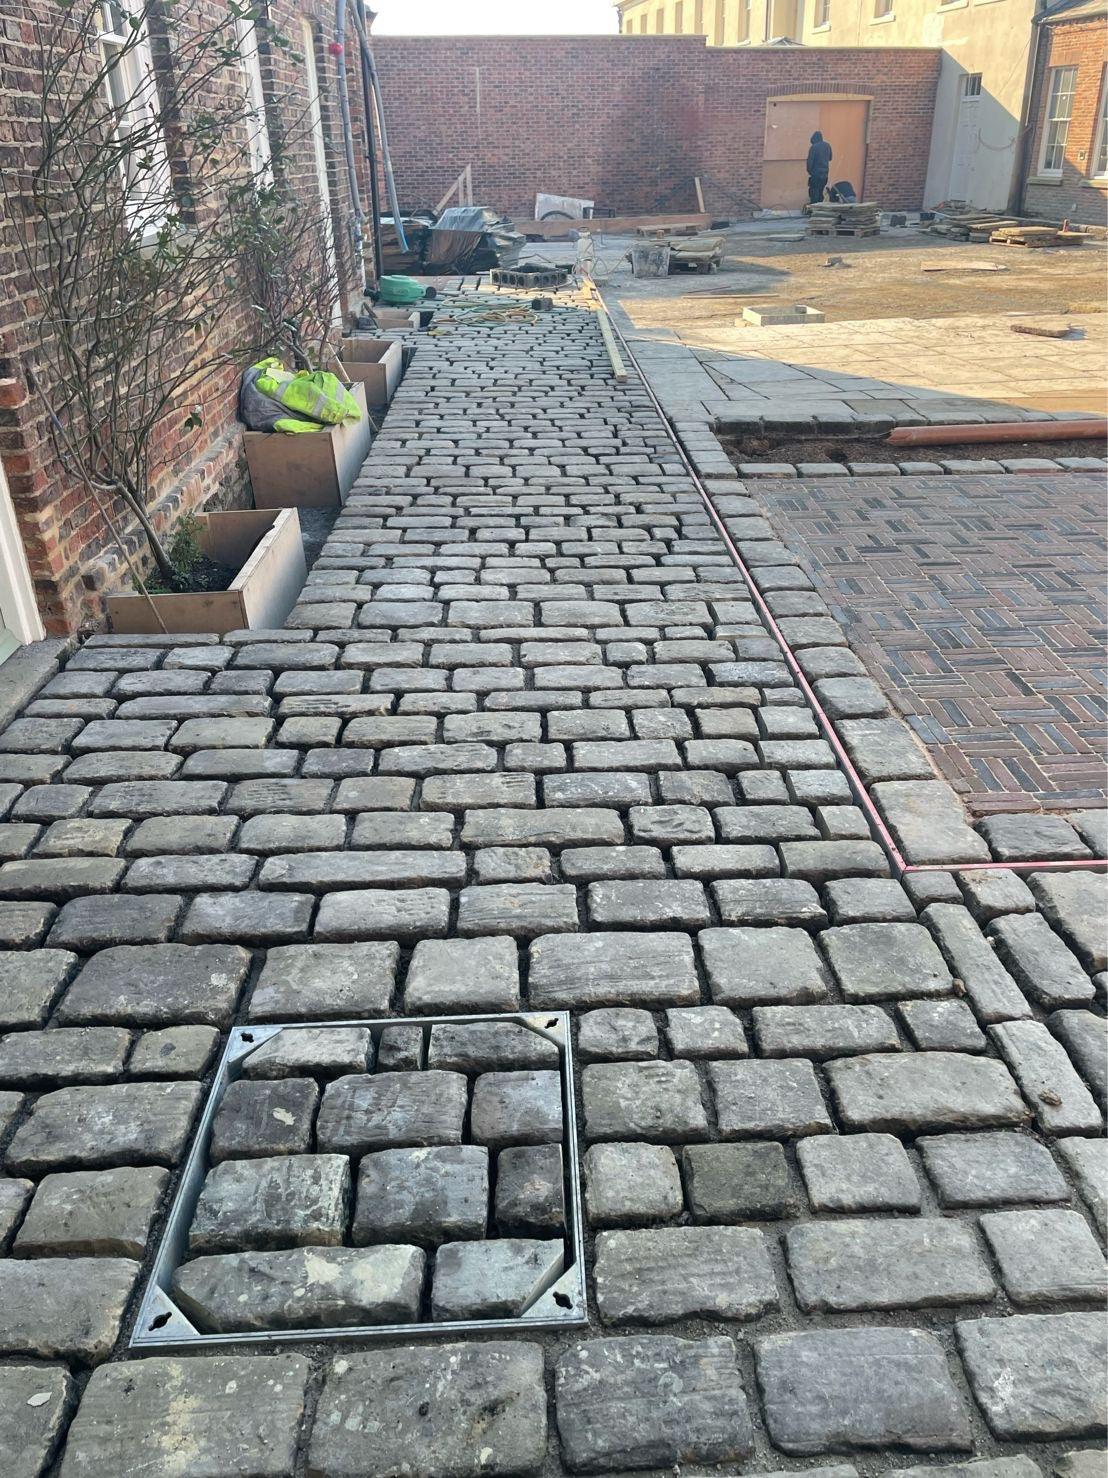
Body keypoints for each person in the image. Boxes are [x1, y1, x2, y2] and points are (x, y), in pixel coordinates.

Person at [806, 131, 833, 205]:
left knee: (814, 193)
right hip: (825, 174)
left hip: (815, 174)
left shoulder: (814, 147)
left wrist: (810, 171)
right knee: (820, 193)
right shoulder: (828, 146)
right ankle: (820, 209)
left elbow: (809, 162)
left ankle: (814, 210)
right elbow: (830, 158)